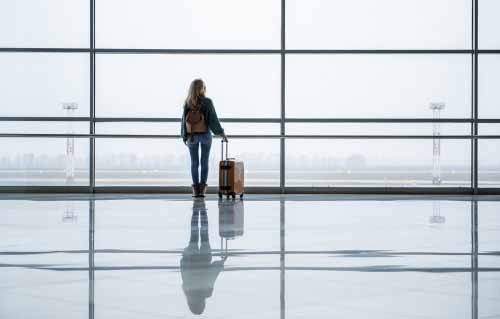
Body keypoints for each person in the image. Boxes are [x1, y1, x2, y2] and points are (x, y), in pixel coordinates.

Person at [181, 79, 228, 198]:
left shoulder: (188, 102)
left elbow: (183, 121)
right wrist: (221, 133)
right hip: (205, 135)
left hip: (192, 136)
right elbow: (213, 120)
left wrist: (184, 136)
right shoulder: (207, 102)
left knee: (194, 163)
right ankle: (202, 190)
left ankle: (196, 191)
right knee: (204, 162)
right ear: (202, 88)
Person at [180, 199, 225, 315]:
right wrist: (184, 257)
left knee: (204, 234)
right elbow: (184, 271)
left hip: (205, 257)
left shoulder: (207, 292)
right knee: (194, 234)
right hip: (191, 257)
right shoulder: (187, 290)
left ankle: (202, 210)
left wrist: (220, 264)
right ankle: (197, 210)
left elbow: (212, 275)